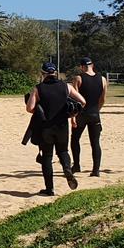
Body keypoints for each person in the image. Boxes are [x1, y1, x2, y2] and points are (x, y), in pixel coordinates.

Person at [26, 62, 86, 196]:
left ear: (43, 74)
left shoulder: (38, 88)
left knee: (47, 157)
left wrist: (40, 109)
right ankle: (67, 169)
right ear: (55, 73)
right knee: (63, 151)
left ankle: (49, 189)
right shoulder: (66, 86)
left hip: (45, 128)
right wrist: (72, 114)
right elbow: (82, 101)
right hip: (62, 126)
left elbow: (29, 108)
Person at [71, 57, 107, 177]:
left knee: (75, 139)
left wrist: (73, 116)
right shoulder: (102, 79)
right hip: (94, 114)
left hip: (81, 114)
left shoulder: (78, 78)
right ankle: (96, 170)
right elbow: (103, 99)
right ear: (93, 65)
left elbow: (75, 100)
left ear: (81, 67)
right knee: (95, 143)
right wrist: (97, 110)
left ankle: (76, 165)